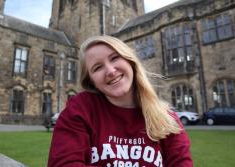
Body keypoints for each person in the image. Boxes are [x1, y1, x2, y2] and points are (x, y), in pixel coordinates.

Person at [48, 35, 193, 167]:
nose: (110, 71)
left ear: (130, 61)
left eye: (114, 58)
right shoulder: (81, 109)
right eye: (98, 67)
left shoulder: (167, 118)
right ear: (91, 81)